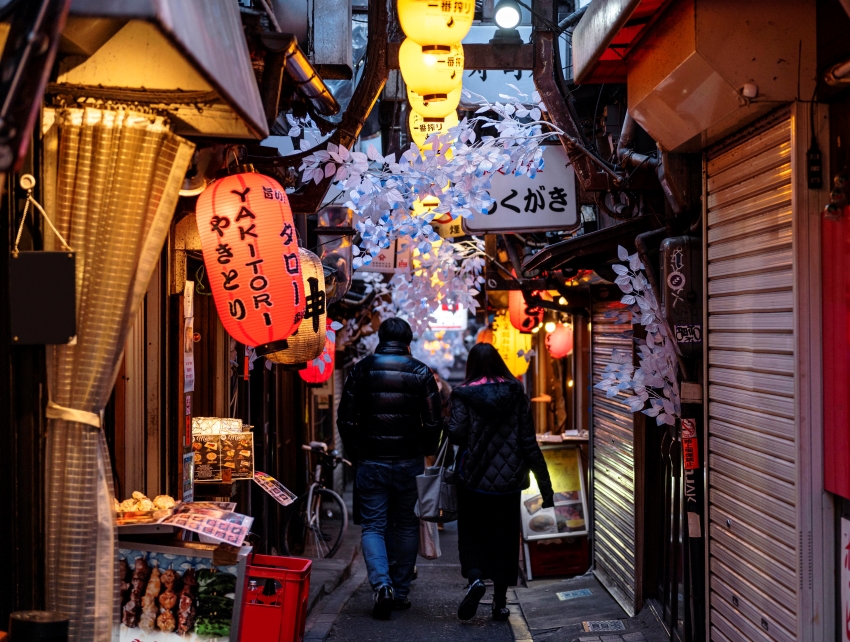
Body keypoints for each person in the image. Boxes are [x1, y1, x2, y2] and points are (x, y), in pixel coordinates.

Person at [337, 318, 443, 619]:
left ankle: (381, 586)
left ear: (380, 338)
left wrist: (358, 452)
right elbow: (434, 420)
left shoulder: (360, 369)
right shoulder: (421, 371)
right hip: (409, 460)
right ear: (408, 340)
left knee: (373, 526)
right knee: (407, 525)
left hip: (371, 460)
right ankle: (400, 591)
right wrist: (426, 450)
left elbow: (344, 419)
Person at [448, 343, 554, 621]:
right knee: (504, 540)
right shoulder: (516, 392)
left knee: (472, 537)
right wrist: (546, 486)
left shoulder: (462, 394)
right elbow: (528, 442)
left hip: (472, 481)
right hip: (508, 484)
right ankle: (500, 603)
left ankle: (475, 580)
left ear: (471, 365)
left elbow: (457, 435)